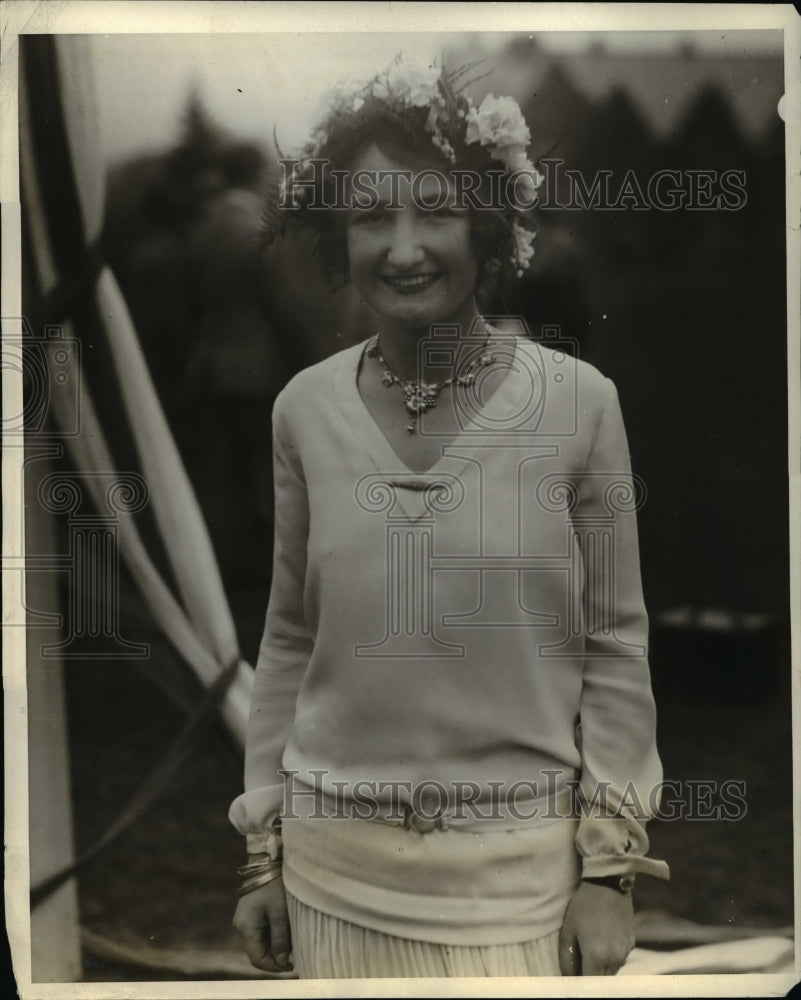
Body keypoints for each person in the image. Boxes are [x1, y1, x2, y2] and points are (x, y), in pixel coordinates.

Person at [229, 57, 669, 979]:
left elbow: (616, 645)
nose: (402, 247)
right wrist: (265, 857)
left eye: (434, 210)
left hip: (516, 896)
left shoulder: (580, 406)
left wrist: (610, 874)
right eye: (368, 217)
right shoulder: (303, 411)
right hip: (331, 888)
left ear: (490, 226)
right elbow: (288, 640)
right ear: (335, 238)